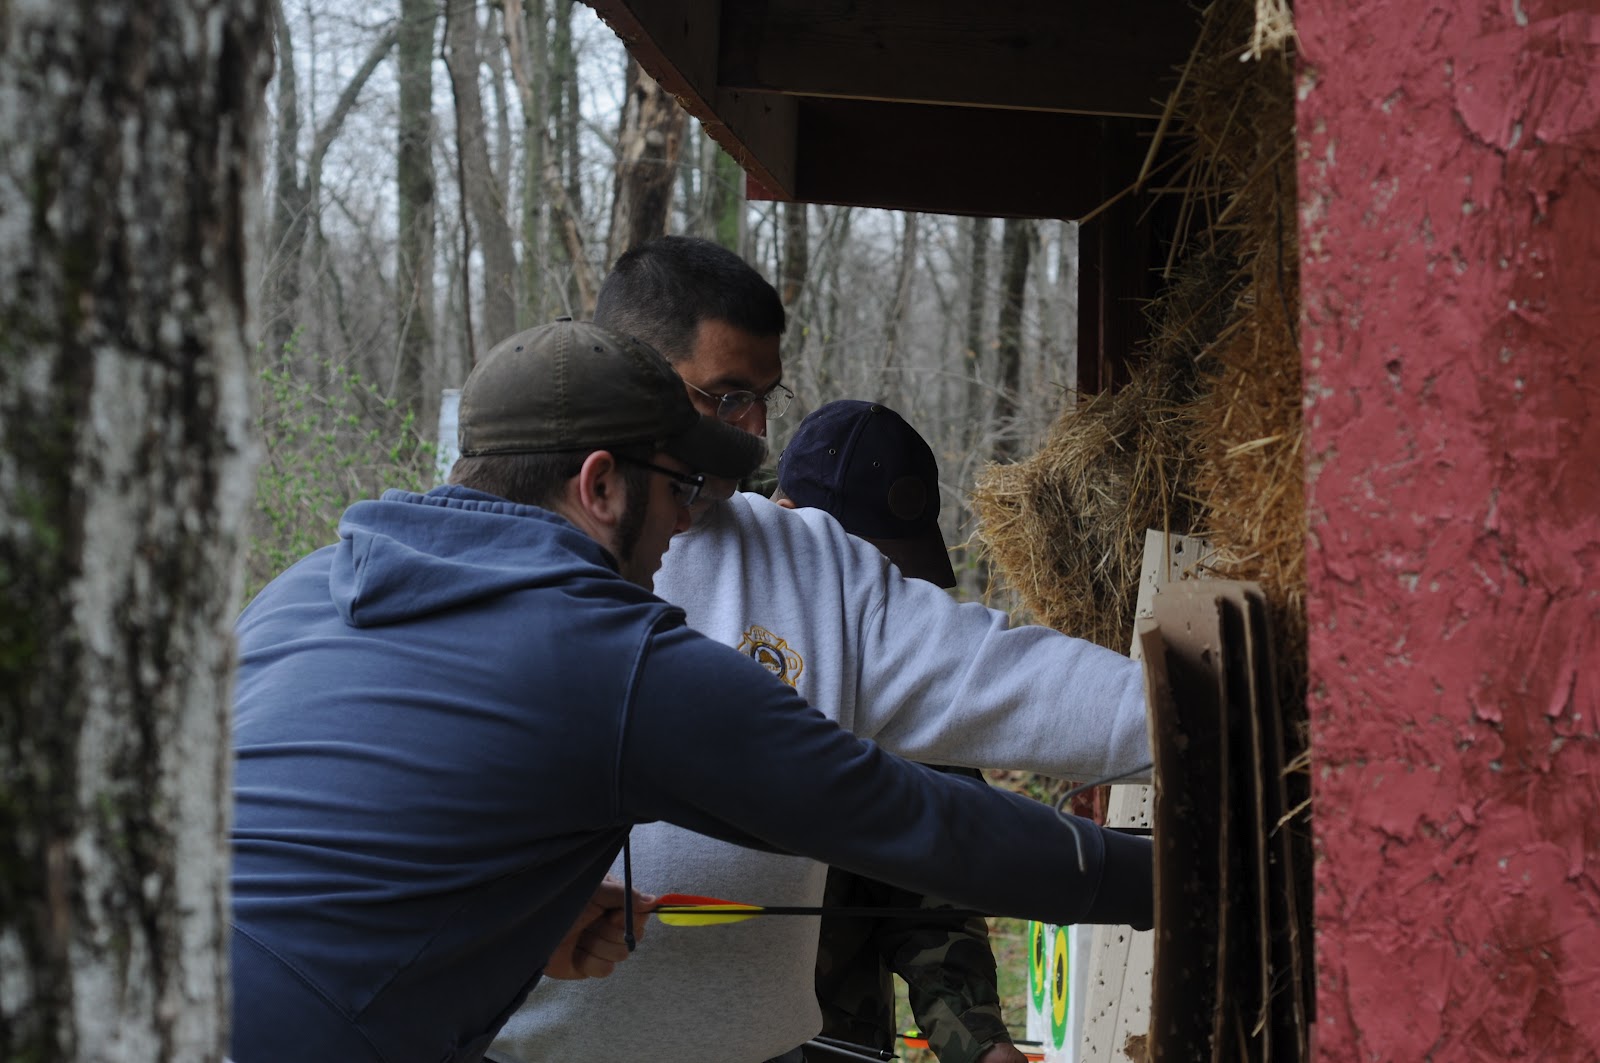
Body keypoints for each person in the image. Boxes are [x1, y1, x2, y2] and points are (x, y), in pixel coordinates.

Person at [228, 318, 1153, 1063]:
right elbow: (915, 821)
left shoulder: (303, 592)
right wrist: (1186, 879)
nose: (684, 528)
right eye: (681, 490)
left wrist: (508, 921)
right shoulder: (604, 655)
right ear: (599, 485)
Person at [494, 239, 1153, 1063]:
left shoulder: (810, 563)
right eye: (729, 397)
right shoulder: (492, 568)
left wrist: (1210, 729)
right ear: (633, 378)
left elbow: (1006, 679)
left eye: (768, 398)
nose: (757, 432)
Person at [773, 399, 1028, 1063]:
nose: (888, 601)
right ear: (795, 525)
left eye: (901, 579)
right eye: (868, 571)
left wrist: (980, 1043)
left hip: (834, 1040)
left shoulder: (901, 666)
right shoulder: (676, 583)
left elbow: (932, 885)